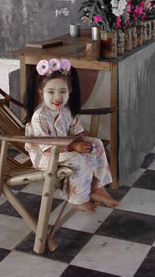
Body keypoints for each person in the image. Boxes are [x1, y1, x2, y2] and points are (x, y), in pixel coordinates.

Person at [23, 58, 119, 213]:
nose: (57, 97)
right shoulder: (39, 117)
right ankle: (78, 199)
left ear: (70, 91)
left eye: (62, 91)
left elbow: (76, 130)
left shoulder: (65, 110)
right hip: (45, 156)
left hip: (62, 149)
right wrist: (74, 146)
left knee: (97, 144)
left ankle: (98, 187)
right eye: (51, 92)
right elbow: (46, 147)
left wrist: (84, 144)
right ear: (40, 93)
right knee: (78, 159)